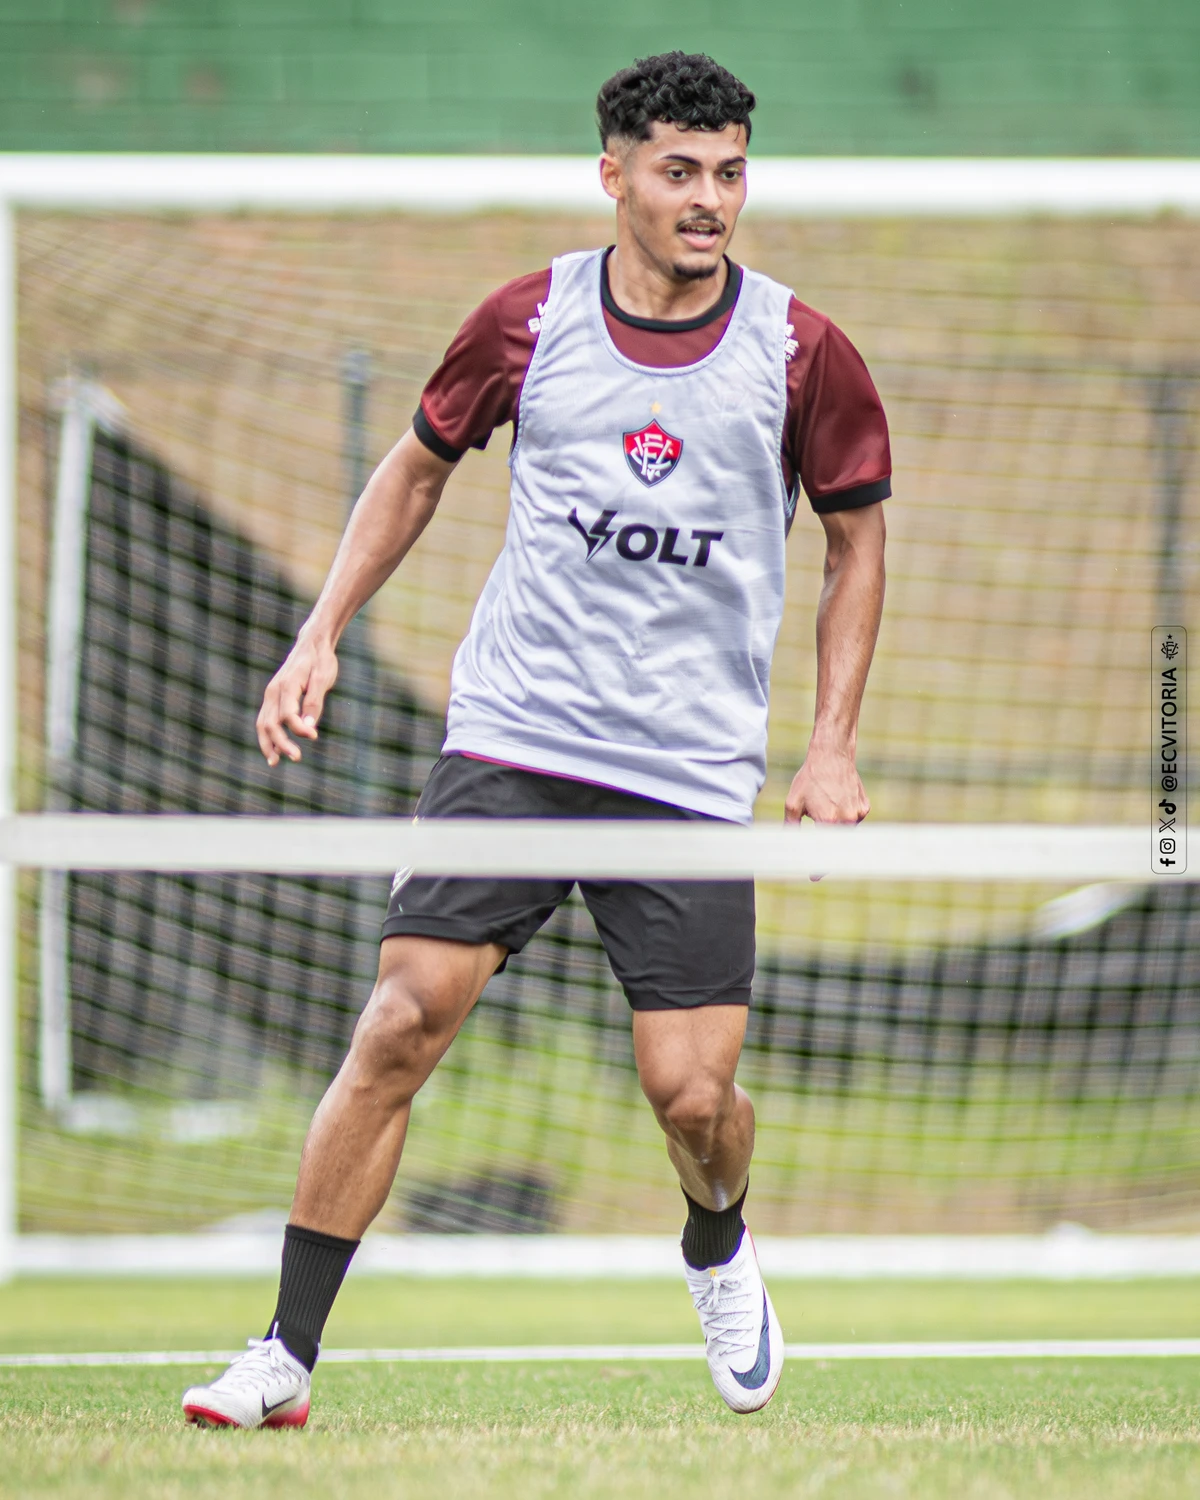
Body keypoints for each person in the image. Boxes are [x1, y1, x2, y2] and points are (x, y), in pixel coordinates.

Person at [182, 49, 889, 1429]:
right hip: (514, 743)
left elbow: (859, 545)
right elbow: (415, 472)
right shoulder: (527, 321)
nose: (709, 200)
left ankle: (719, 1242)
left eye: (730, 172)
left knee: (693, 1099)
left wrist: (832, 744)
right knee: (399, 1021)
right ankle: (283, 1355)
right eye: (679, 172)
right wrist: (320, 630)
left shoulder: (804, 353)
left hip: (683, 779)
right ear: (612, 172)